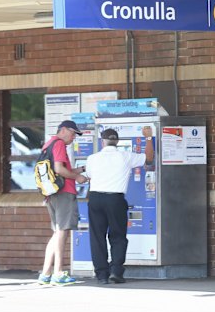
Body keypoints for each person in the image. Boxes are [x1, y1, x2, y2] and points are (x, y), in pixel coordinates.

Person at [85, 126, 155, 284]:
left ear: (103, 142)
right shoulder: (125, 156)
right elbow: (148, 157)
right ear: (116, 142)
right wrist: (149, 138)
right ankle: (116, 270)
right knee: (118, 235)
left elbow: (89, 175)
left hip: (96, 198)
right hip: (115, 199)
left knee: (97, 237)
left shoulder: (92, 158)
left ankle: (102, 275)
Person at [37, 120, 88, 286]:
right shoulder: (59, 144)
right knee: (62, 231)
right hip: (64, 192)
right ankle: (58, 272)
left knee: (56, 232)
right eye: (73, 133)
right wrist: (77, 177)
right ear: (63, 130)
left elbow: (58, 170)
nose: (74, 137)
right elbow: (59, 170)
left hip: (52, 193)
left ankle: (45, 274)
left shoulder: (48, 144)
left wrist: (81, 169)